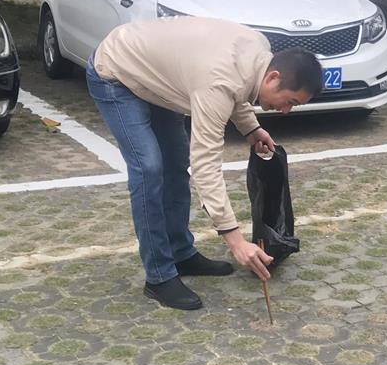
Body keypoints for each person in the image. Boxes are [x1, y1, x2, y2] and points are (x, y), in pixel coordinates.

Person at [85, 16, 322, 310]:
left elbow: (237, 88)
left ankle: (181, 253)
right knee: (149, 169)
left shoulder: (258, 51)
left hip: (159, 78)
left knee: (175, 164)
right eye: (290, 101)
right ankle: (159, 277)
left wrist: (251, 128)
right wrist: (235, 241)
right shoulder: (216, 81)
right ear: (273, 77)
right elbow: (206, 164)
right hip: (116, 71)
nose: (286, 111)